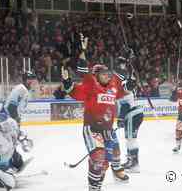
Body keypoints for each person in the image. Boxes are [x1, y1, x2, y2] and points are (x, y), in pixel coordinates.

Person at [62, 35, 134, 191]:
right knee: (98, 157)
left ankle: (114, 171)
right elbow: (76, 82)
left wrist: (125, 61)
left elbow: (123, 84)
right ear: (95, 76)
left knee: (115, 152)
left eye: (108, 74)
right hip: (93, 128)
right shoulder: (90, 86)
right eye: (103, 74)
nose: (108, 76)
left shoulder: (112, 86)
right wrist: (82, 52)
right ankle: (94, 187)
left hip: (108, 129)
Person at [0, 113, 33, 190]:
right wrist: (4, 171)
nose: (4, 125)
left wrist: (23, 141)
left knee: (19, 164)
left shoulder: (9, 125)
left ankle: (8, 169)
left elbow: (18, 133)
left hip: (8, 151)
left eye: (5, 123)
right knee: (7, 178)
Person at [115, 56, 144, 173]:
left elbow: (125, 104)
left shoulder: (122, 85)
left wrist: (120, 118)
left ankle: (135, 165)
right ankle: (130, 161)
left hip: (132, 113)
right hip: (133, 113)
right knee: (129, 139)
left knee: (131, 139)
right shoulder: (123, 82)